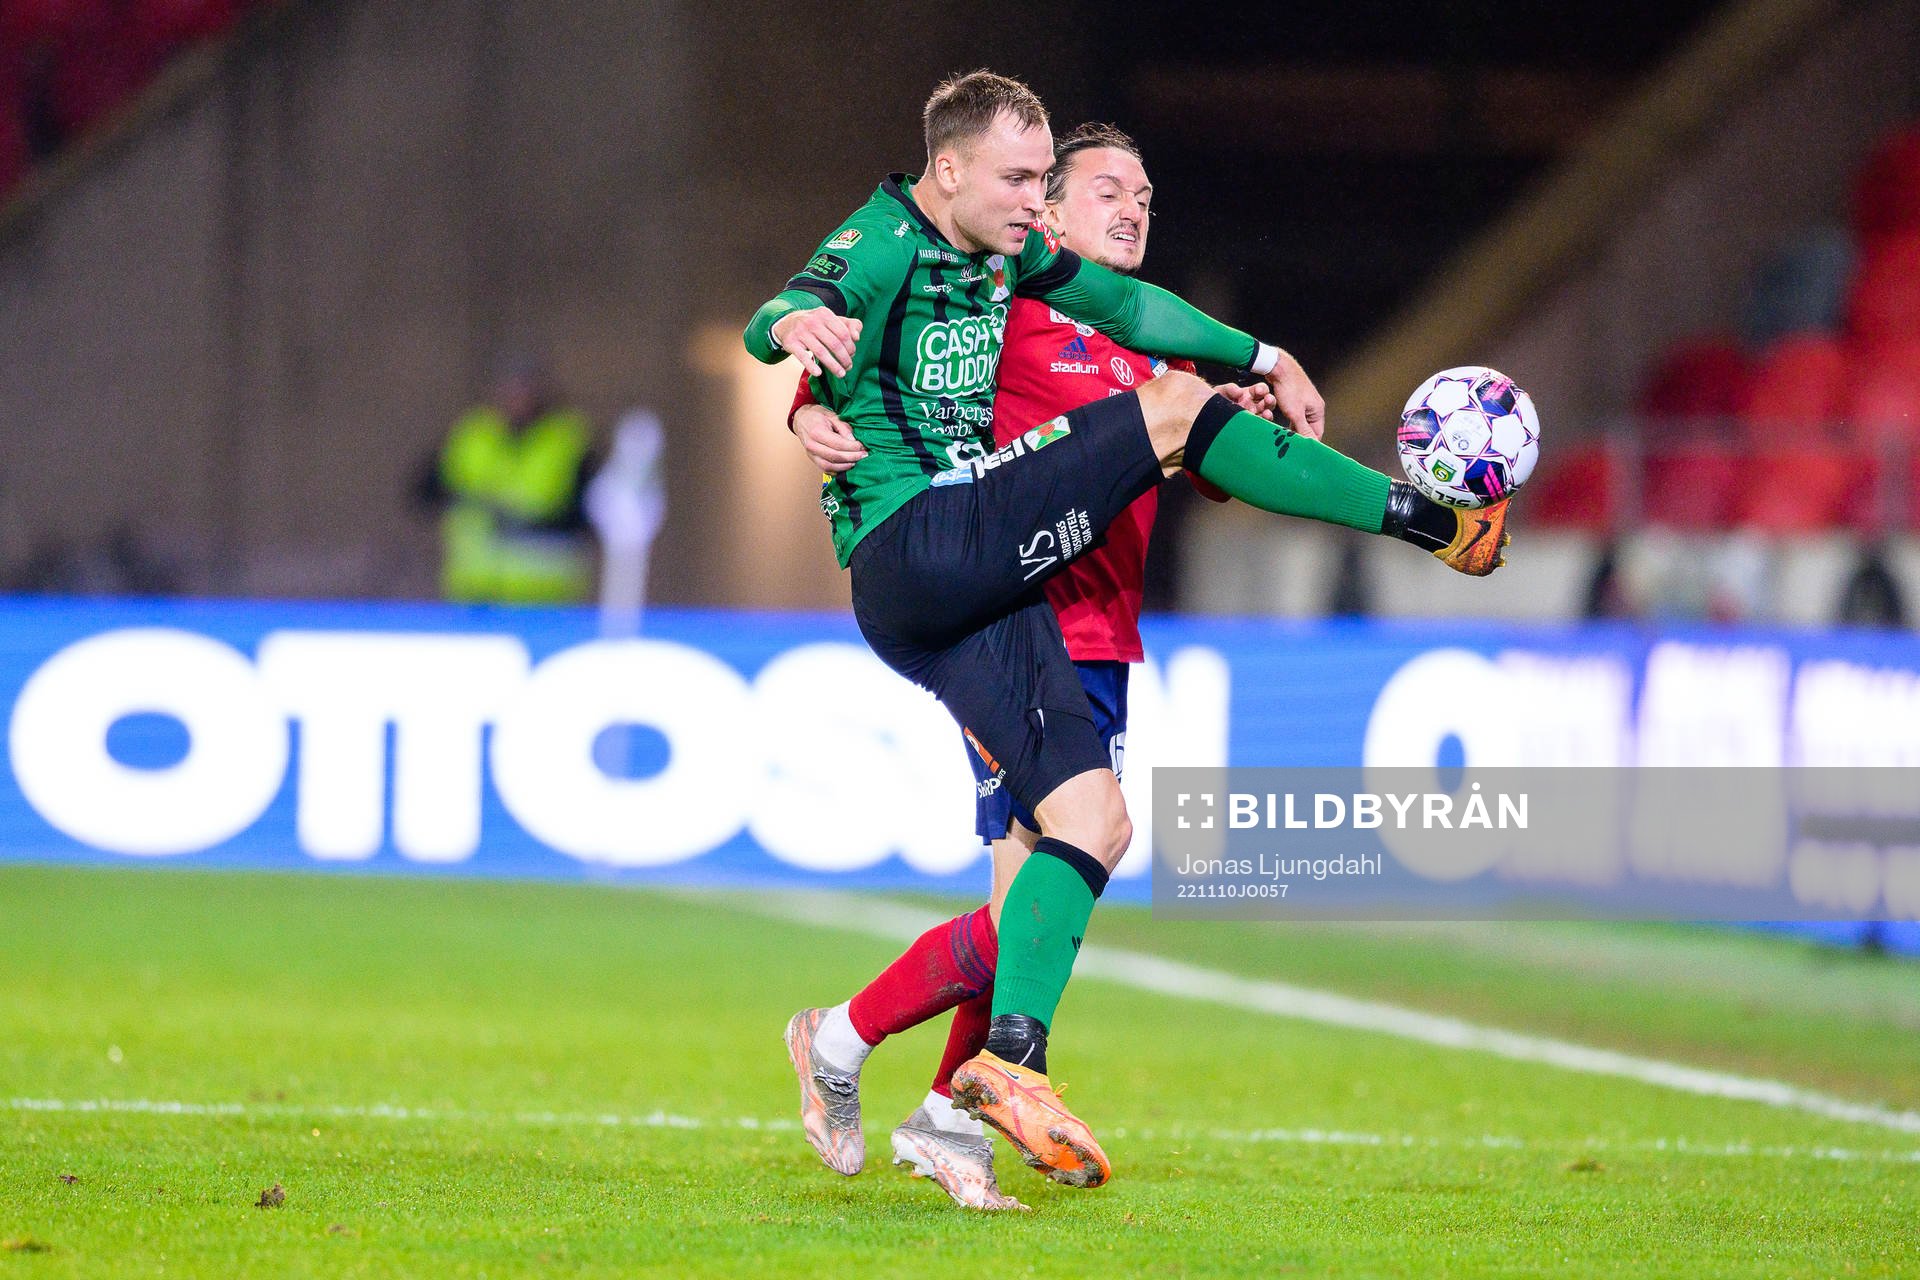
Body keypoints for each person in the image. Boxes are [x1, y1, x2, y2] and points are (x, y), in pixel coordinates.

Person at [745, 70, 1509, 1195]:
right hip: (919, 546)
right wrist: (794, 365)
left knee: (1095, 825)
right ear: (950, 170)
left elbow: (1140, 315)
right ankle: (1433, 520)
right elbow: (791, 312)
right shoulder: (887, 237)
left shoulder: (1022, 270)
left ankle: (990, 1065)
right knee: (1169, 416)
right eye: (1025, 178)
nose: (1035, 200)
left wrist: (1253, 360)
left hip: (985, 594)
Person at [784, 122, 1271, 1210]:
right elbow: (884, 367)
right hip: (1012, 623)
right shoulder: (1006, 310)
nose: (1135, 208)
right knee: (1040, 886)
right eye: (1109, 189)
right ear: (1045, 212)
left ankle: (941, 1108)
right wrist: (806, 401)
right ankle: (866, 1051)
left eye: (1148, 194)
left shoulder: (1153, 355)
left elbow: (1213, 469)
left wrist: (1251, 422)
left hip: (1108, 638)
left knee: (1033, 907)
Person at [414, 353, 598, 605]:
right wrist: (470, 501)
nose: (516, 398)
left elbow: (590, 513)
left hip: (546, 594)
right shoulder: (473, 435)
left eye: (524, 388)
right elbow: (424, 491)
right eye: (509, 388)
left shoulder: (566, 440)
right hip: (475, 593)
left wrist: (525, 522)